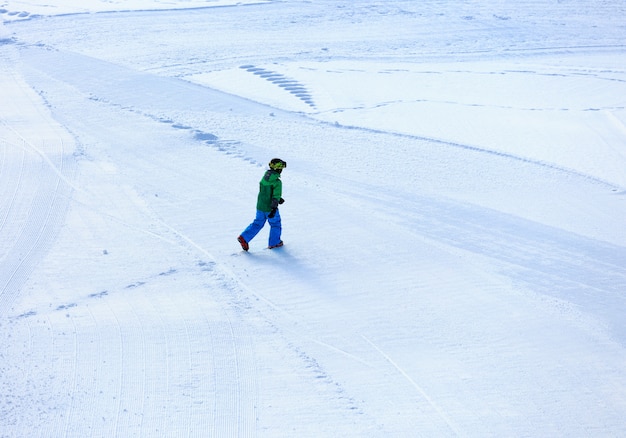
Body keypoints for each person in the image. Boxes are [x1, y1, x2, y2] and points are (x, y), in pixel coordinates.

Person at [237, 158, 286, 251]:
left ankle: (244, 237)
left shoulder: (264, 178)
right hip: (270, 208)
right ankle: (274, 243)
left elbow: (267, 192)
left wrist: (279, 199)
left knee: (257, 223)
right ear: (278, 169)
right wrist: (274, 207)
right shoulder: (277, 182)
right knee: (275, 224)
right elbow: (275, 195)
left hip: (260, 206)